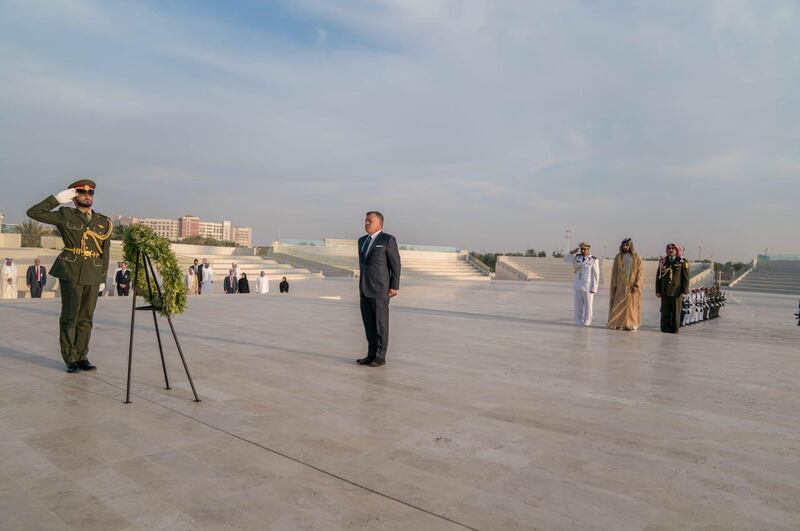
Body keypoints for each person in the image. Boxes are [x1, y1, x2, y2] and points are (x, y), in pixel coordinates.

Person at [26, 180, 112, 372]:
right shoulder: (65, 215)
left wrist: (102, 278)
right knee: (70, 317)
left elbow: (105, 252)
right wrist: (56, 199)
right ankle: (70, 358)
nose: (87, 196)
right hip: (71, 270)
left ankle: (82, 356)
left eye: (90, 193)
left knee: (86, 318)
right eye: (81, 193)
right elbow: (33, 212)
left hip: (93, 272)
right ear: (74, 197)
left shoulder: (103, 221)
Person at [356, 211, 401, 367]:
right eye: (366, 221)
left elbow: (395, 264)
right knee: (368, 324)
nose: (366, 223)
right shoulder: (361, 241)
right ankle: (370, 354)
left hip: (380, 289)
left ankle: (380, 356)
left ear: (379, 224)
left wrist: (394, 286)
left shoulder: (388, 239)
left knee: (380, 324)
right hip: (364, 288)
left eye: (370, 221)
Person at [607, 238, 643, 331]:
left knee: (631, 306)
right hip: (621, 286)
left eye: (627, 245)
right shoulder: (618, 257)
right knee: (618, 305)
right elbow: (614, 272)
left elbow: (640, 273)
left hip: (632, 287)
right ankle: (618, 323)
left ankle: (631, 324)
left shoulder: (637, 257)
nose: (625, 247)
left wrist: (636, 285)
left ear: (630, 245)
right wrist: (615, 286)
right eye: (624, 245)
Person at [656, 243, 690, 334]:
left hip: (676, 292)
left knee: (676, 313)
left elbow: (685, 278)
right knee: (664, 312)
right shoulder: (663, 261)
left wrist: (684, 291)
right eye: (669, 248)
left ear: (677, 250)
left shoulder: (682, 261)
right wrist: (658, 291)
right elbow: (658, 277)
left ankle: (675, 330)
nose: (671, 250)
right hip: (665, 291)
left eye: (673, 248)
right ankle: (664, 329)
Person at [564, 242, 600, 326]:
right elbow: (566, 259)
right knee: (578, 306)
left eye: (585, 249)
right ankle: (578, 320)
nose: (583, 251)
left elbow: (596, 275)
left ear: (588, 249)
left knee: (588, 306)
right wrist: (572, 252)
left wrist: (594, 288)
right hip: (578, 285)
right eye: (581, 249)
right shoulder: (577, 257)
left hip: (588, 286)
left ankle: (588, 320)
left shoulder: (593, 260)